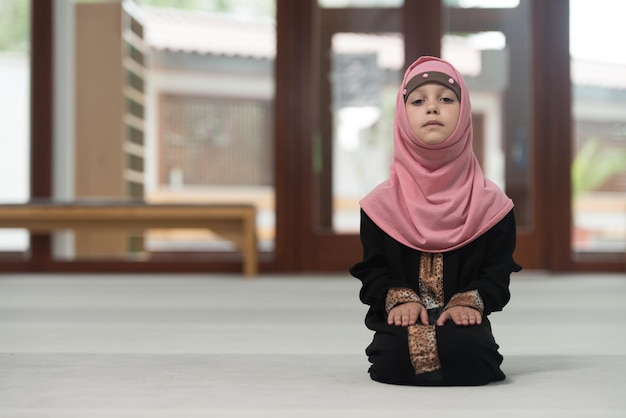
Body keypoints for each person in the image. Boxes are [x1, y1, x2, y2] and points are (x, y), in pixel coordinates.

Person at [349, 56, 522, 386]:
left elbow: (497, 274)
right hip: (402, 319)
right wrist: (398, 298)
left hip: (465, 321)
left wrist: (470, 302)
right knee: (394, 355)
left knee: (473, 352)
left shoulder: (492, 205)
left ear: (464, 112)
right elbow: (373, 271)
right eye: (418, 100)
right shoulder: (379, 206)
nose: (432, 108)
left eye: (446, 99)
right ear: (402, 116)